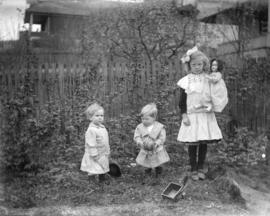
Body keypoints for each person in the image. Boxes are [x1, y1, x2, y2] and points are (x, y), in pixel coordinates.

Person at [177, 46, 228, 181]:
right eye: (194, 65)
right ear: (189, 65)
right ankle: (193, 168)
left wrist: (212, 105)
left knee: (203, 142)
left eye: (199, 64)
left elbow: (215, 93)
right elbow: (182, 101)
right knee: (193, 143)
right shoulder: (186, 80)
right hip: (192, 115)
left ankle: (201, 167)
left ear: (204, 64)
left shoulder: (208, 78)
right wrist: (184, 115)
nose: (197, 67)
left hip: (205, 114)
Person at [134, 103, 170, 177]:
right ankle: (148, 174)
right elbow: (137, 136)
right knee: (146, 163)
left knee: (158, 161)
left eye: (147, 119)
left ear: (154, 118)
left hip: (157, 149)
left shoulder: (159, 127)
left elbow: (162, 137)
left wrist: (157, 142)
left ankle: (159, 174)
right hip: (145, 149)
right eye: (142, 119)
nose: (144, 121)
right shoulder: (139, 127)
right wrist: (139, 142)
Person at [80, 103, 110, 183]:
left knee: (102, 167)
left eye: (101, 115)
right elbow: (91, 144)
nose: (100, 118)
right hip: (94, 154)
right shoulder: (91, 130)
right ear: (90, 117)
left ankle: (102, 181)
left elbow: (105, 141)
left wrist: (107, 151)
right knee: (93, 169)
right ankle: (92, 183)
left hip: (102, 152)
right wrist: (94, 155)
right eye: (97, 116)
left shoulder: (103, 128)